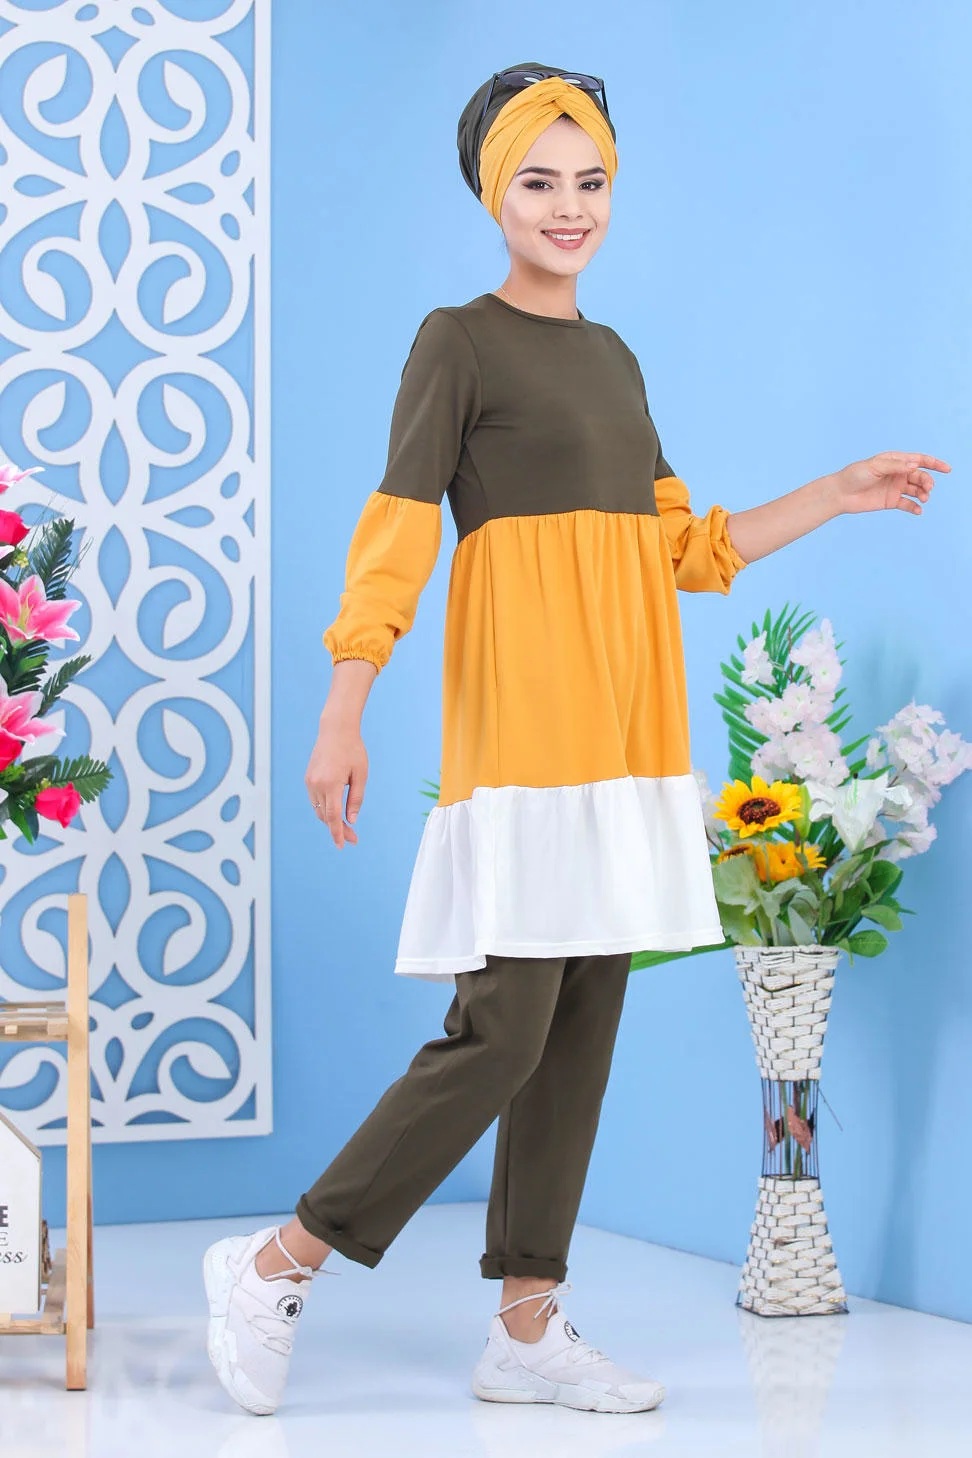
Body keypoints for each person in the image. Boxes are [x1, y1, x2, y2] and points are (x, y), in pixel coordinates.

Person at [202, 60, 947, 1420]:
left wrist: (836, 494)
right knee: (501, 1030)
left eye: (591, 181)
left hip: (628, 739)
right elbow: (395, 534)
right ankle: (277, 1261)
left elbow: (683, 551)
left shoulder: (614, 359)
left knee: (581, 1027)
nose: (569, 207)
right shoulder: (457, 341)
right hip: (527, 737)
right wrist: (343, 706)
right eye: (540, 182)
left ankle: (527, 1324)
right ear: (496, 195)